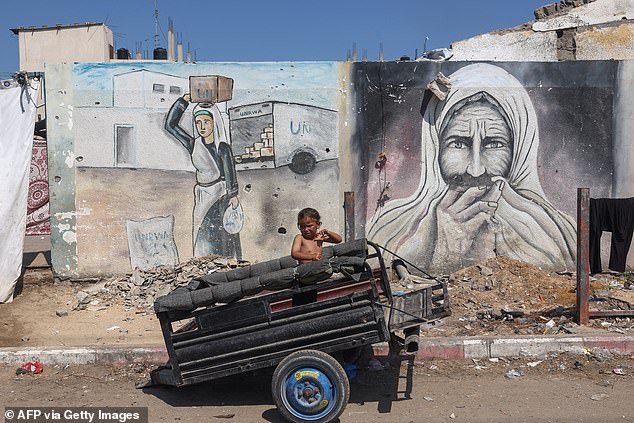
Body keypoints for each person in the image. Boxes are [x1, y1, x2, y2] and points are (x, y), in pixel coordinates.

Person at [367, 63, 576, 274]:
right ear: (436, 149)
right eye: (458, 143)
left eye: (494, 144)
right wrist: (435, 242)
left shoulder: (561, 234)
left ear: (519, 151)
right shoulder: (389, 228)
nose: (476, 170)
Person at [165, 93, 242, 258]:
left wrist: (233, 194)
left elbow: (230, 172)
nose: (202, 126)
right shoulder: (193, 144)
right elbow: (170, 125)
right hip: (202, 196)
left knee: (222, 235)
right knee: (201, 233)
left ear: (214, 122)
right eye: (198, 122)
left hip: (220, 196)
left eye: (206, 122)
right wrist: (183, 101)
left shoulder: (222, 148)